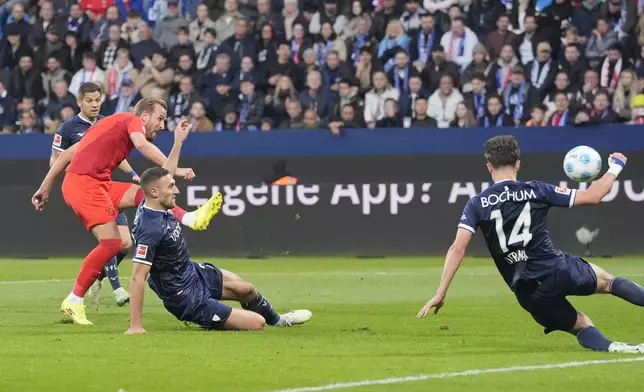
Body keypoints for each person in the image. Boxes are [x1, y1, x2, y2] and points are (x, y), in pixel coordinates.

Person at [417, 135, 644, 354]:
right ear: (518, 164)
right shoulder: (536, 190)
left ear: (489, 167)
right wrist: (615, 167)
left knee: (582, 325)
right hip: (556, 270)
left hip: (527, 293)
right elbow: (593, 196)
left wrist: (441, 292)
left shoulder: (477, 204)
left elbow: (458, 248)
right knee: (608, 282)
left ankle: (614, 348)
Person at [31, 97, 223, 325]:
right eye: (160, 118)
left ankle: (189, 217)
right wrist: (180, 169)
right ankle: (74, 300)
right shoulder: (131, 121)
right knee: (112, 243)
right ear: (144, 116)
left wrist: (44, 189)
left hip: (101, 184)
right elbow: (144, 147)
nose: (162, 125)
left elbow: (65, 156)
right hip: (82, 184)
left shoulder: (105, 128)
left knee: (147, 192)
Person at [127, 165, 312, 333]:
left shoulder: (157, 204)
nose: (176, 190)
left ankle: (280, 321)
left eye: (174, 184)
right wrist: (136, 326)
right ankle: (208, 315)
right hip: (184, 296)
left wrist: (178, 142)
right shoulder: (150, 228)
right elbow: (138, 277)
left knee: (246, 289)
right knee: (257, 323)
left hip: (192, 273)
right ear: (153, 192)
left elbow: (164, 171)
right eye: (171, 187)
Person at [50, 82, 135, 307]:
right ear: (79, 102)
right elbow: (56, 159)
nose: (94, 104)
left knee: (126, 243)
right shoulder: (67, 129)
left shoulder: (108, 123)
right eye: (89, 100)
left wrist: (133, 173)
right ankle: (118, 290)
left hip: (106, 186)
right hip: (87, 190)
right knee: (111, 240)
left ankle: (98, 275)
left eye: (98, 100)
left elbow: (118, 156)